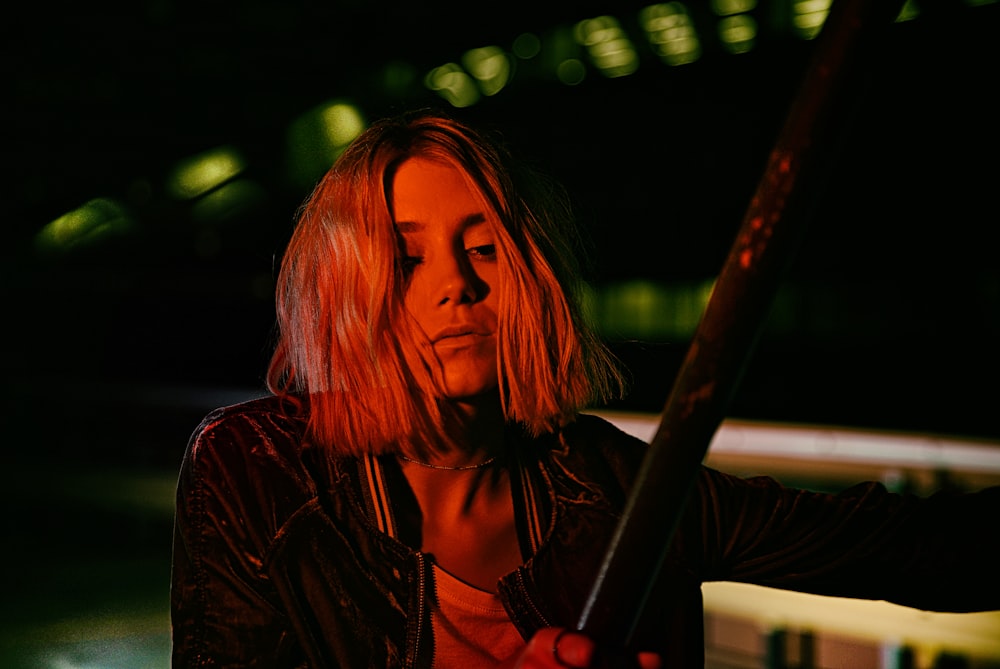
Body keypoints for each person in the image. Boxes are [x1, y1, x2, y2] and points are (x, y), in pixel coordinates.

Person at [170, 108, 1000, 668]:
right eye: (408, 255)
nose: (455, 284)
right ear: (348, 293)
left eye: (483, 247)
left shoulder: (619, 490)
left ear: (528, 276)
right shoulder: (258, 471)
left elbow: (918, 550)